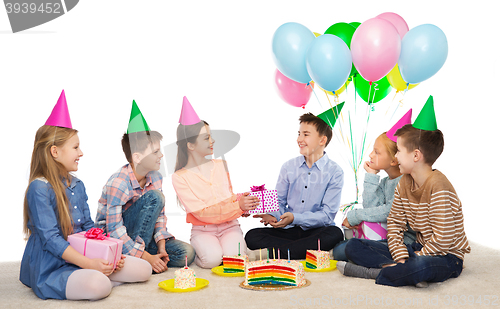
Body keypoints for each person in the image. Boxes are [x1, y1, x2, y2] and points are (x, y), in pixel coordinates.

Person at [20, 91, 151, 300]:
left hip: (85, 257)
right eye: (75, 147)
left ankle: (96, 275)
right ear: (55, 152)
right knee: (99, 285)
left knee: (144, 270)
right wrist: (90, 264)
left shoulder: (78, 185)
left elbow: (90, 228)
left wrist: (110, 254)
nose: (81, 153)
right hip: (54, 265)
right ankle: (94, 278)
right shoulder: (39, 188)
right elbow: (51, 240)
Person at [338, 96, 471, 287]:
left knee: (422, 265)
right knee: (353, 246)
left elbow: (443, 239)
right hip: (416, 249)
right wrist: (401, 256)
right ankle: (398, 269)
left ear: (416, 155)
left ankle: (375, 273)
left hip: (445, 255)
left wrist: (418, 255)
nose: (396, 156)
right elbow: (394, 224)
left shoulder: (439, 186)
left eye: (399, 150)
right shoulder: (404, 183)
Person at [96, 100, 194, 273]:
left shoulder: (155, 177)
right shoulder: (118, 183)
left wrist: (162, 247)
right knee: (155, 197)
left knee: (187, 253)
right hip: (117, 240)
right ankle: (142, 257)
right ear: (138, 157)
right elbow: (113, 231)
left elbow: (159, 217)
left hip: (144, 240)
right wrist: (147, 257)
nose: (161, 155)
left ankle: (144, 255)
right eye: (155, 152)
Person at [172, 97, 259, 268]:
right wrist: (238, 206)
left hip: (229, 226)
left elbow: (227, 197)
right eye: (206, 138)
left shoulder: (221, 165)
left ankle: (241, 251)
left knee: (235, 260)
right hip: (203, 230)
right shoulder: (180, 177)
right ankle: (210, 250)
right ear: (190, 145)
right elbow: (201, 213)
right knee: (211, 260)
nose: (212, 141)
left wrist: (243, 203)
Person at [245, 112, 344, 259]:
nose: (299, 139)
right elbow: (279, 202)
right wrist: (272, 215)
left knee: (335, 234)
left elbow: (326, 215)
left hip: (316, 230)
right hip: (288, 230)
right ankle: (306, 250)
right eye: (299, 134)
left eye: (305, 134)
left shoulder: (335, 171)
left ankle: (273, 253)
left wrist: (295, 218)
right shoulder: (288, 167)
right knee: (252, 235)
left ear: (322, 140)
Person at [333, 110, 416, 261]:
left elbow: (389, 210)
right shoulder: (385, 182)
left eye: (376, 152)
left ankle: (396, 265)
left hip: (405, 243)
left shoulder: (407, 182)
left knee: (342, 249)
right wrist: (372, 175)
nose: (371, 155)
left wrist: (355, 215)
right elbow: (371, 208)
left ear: (394, 159)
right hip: (387, 237)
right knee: (340, 246)